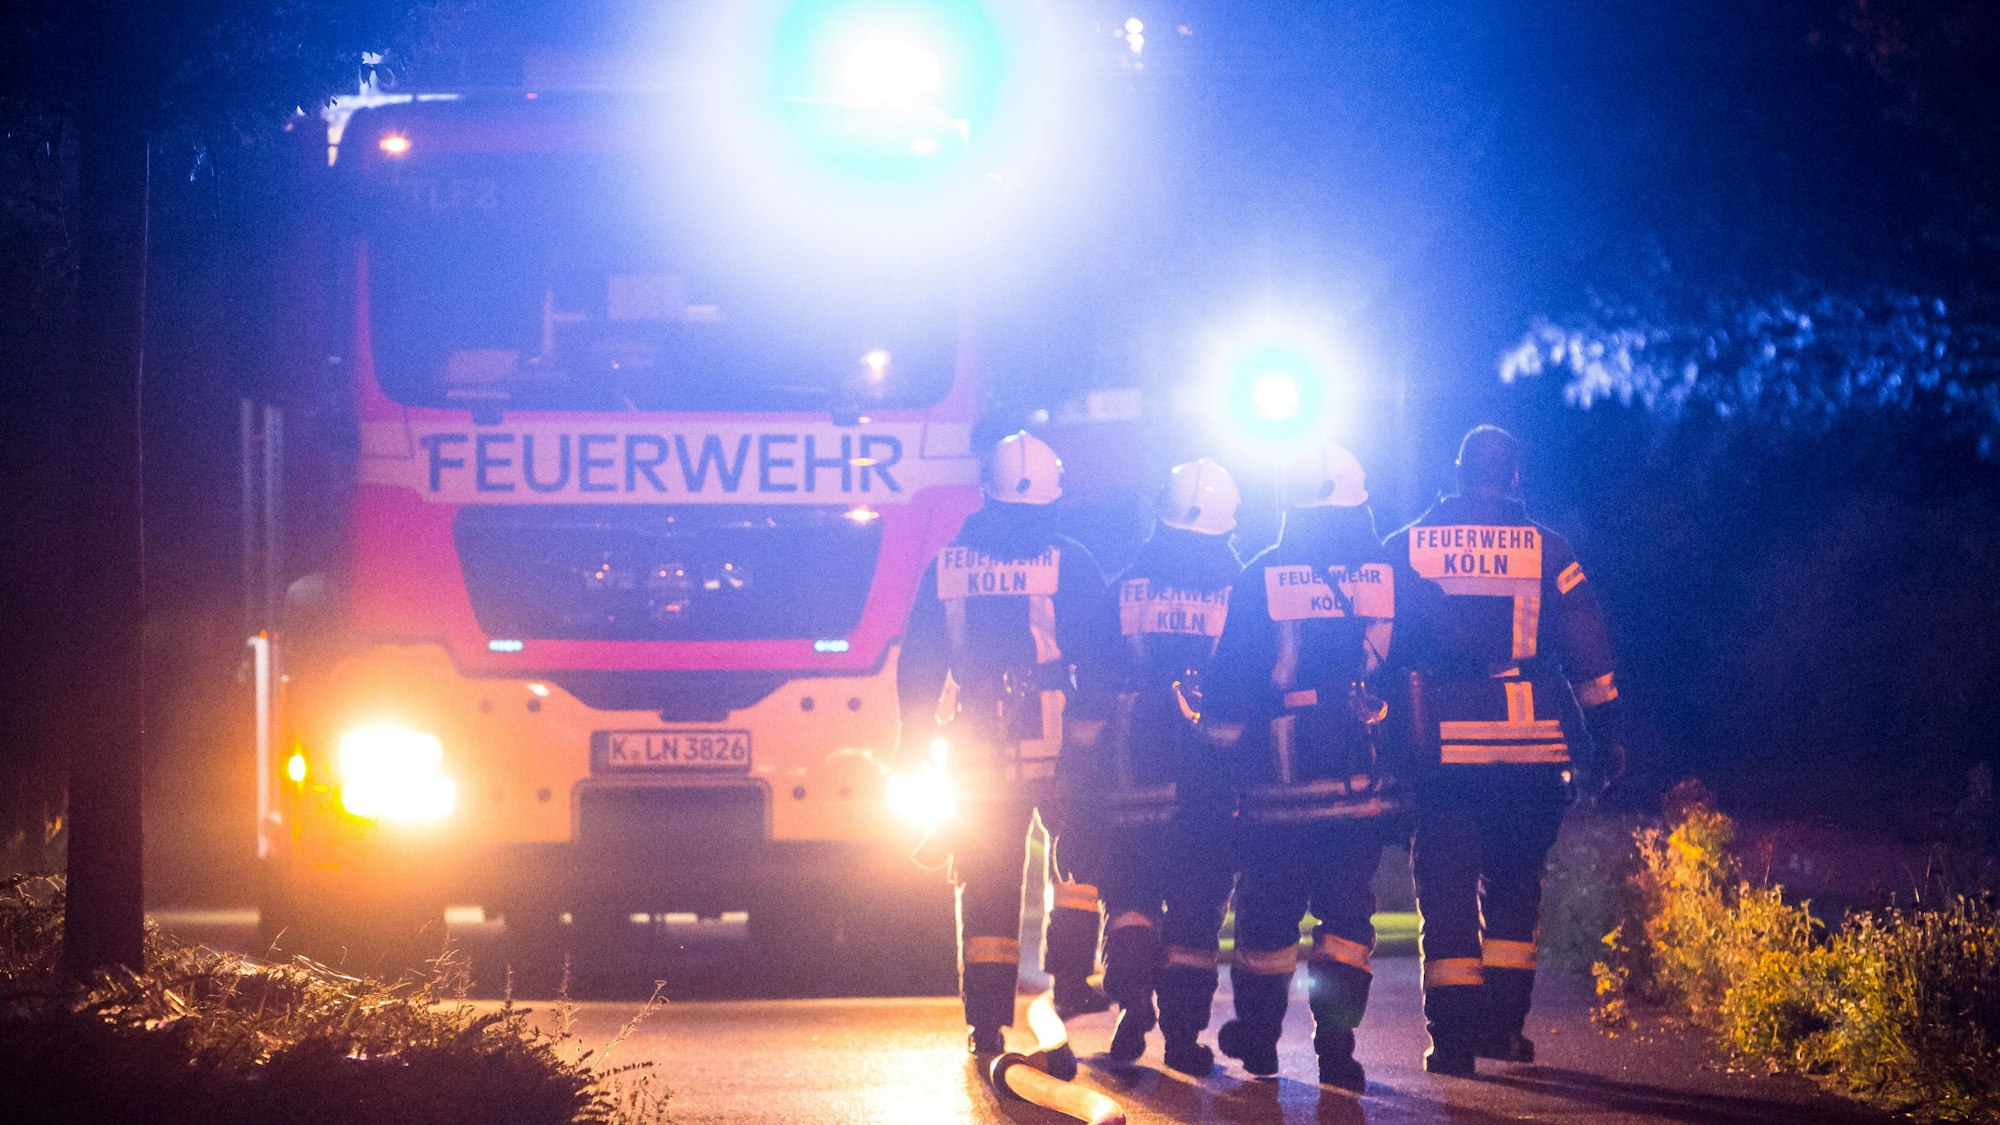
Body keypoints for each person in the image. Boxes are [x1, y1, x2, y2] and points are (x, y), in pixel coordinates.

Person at [1384, 425, 1626, 1076]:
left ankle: (1454, 1043)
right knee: (1515, 894)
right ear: (1515, 476)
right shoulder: (1549, 549)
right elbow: (1589, 653)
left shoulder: (1406, 546)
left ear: (1458, 472)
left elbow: (1374, 644)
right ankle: (1502, 1031)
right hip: (1531, 752)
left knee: (1447, 895)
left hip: (1442, 750)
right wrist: (1608, 735)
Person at [896, 431, 1117, 1056]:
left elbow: (918, 666)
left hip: (975, 750)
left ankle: (986, 1023)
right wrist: (1090, 729)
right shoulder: (1069, 560)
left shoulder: (947, 563)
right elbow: (1100, 655)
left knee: (987, 883)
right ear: (1052, 500)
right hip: (1058, 741)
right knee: (1079, 863)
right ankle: (1070, 982)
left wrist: (912, 746)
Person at [1199, 442, 1411, 1092]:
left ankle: (1259, 1038)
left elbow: (1230, 688)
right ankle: (1337, 1049)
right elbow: (1406, 676)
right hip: (1359, 786)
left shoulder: (1258, 574)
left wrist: (1215, 760)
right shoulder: (1388, 572)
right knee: (1347, 923)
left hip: (1277, 789)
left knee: (1265, 920)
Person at [1057, 458, 1245, 1075]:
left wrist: (1082, 759)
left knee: (1132, 895)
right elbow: (1247, 677)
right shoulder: (1236, 585)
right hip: (1208, 776)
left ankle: (1132, 1001)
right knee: (1195, 907)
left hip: (1129, 767)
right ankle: (1186, 1039)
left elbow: (1093, 673)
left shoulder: (1128, 582)